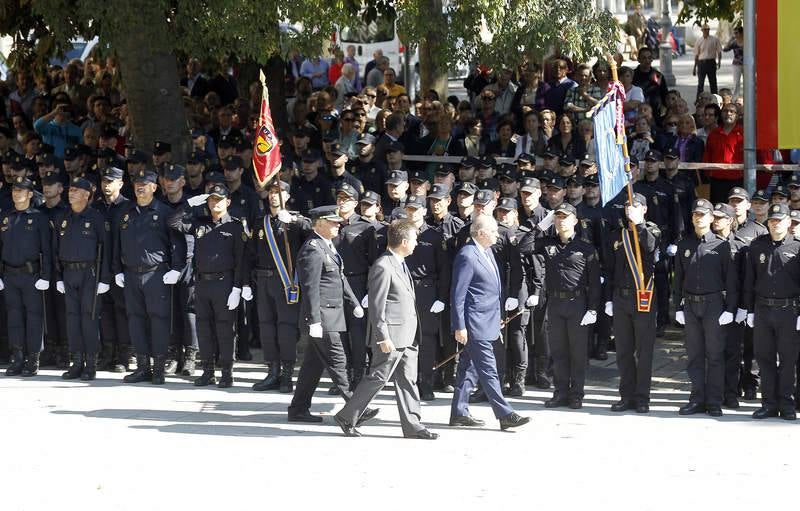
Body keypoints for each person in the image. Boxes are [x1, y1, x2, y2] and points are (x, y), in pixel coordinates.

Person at [333, 219, 438, 439]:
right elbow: (377, 305)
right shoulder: (383, 266)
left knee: (408, 379)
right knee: (378, 377)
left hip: (408, 335)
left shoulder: (399, 263)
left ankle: (413, 426)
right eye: (414, 239)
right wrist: (382, 336)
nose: (416, 244)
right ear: (404, 241)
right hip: (391, 336)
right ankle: (347, 415)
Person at [286, 205, 378, 424]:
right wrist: (314, 320)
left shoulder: (327, 246)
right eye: (332, 221)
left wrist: (354, 303)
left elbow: (340, 278)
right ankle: (356, 408)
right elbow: (310, 288)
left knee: (312, 366)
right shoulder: (313, 248)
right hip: (323, 319)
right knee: (338, 363)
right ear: (319, 223)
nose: (338, 225)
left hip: (333, 315)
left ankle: (298, 409)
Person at [449, 214, 531, 430]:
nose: (497, 234)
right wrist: (460, 326)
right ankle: (505, 414)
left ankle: (459, 412)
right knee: (489, 369)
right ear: (481, 232)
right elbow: (458, 295)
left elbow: (492, 291)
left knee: (468, 368)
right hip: (474, 324)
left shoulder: (487, 252)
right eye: (493, 231)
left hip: (488, 320)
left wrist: (498, 319)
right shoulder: (467, 255)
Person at [169, 183, 246, 388]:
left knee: (225, 330)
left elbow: (241, 260)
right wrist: (188, 204)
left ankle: (227, 373)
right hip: (202, 283)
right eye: (211, 199)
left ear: (227, 202)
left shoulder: (235, 226)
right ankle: (208, 372)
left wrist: (238, 287)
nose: (215, 203)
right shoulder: (200, 223)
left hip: (225, 283)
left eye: (219, 200)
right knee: (204, 329)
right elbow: (174, 223)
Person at [113, 170, 185, 385]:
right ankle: (143, 367)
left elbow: (177, 243)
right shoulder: (126, 213)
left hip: (156, 274)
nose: (140, 187)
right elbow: (117, 244)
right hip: (131, 274)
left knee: (159, 320)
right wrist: (117, 269)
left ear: (154, 187)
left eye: (145, 184)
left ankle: (159, 368)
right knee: (135, 320)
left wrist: (176, 268)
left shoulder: (164, 212)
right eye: (137, 183)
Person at [530, 203, 601, 408]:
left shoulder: (585, 248)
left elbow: (594, 281)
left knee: (577, 352)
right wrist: (540, 228)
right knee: (559, 351)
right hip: (555, 302)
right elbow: (525, 246)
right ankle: (560, 392)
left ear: (575, 221)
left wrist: (593, 308)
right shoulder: (547, 243)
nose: (561, 221)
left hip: (577, 303)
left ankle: (577, 393)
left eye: (565, 217)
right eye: (558, 217)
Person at [673, 199, 738, 417]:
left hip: (713, 305)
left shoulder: (722, 245)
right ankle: (697, 399)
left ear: (712, 218)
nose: (698, 218)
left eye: (703, 215)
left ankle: (714, 401)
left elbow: (730, 280)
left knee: (715, 355)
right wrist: (678, 307)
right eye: (695, 214)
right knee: (694, 355)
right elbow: (678, 279)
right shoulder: (684, 245)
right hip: (691, 305)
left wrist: (730, 309)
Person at [249, 181, 311, 393]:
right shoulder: (261, 221)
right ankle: (272, 371)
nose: (274, 196)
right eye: (272, 192)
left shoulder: (296, 221)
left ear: (287, 195)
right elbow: (252, 252)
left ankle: (286, 374)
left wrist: (294, 221)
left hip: (285, 282)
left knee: (286, 328)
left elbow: (312, 238)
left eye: (279, 192)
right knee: (266, 326)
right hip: (263, 280)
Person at [742, 203, 800, 420]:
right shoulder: (757, 246)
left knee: (787, 360)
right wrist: (749, 311)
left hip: (789, 311)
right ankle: (768, 403)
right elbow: (750, 280)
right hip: (763, 309)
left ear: (788, 222)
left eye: (780, 220)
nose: (775, 224)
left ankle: (786, 404)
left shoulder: (797, 247)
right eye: (772, 220)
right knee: (764, 358)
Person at [604, 193, 660, 413]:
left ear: (644, 209)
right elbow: (609, 269)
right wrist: (609, 298)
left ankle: (642, 397)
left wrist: (639, 224)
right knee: (623, 350)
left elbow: (650, 247)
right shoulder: (617, 235)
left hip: (643, 296)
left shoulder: (651, 230)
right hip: (621, 297)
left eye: (635, 206)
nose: (630, 209)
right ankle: (626, 395)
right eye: (628, 206)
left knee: (644, 350)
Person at [54, 177, 112, 381]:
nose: (71, 193)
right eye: (71, 189)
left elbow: (107, 249)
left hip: (90, 274)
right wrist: (59, 276)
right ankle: (76, 362)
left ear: (87, 195)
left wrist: (105, 278)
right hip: (69, 273)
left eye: (77, 190)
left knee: (89, 319)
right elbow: (55, 249)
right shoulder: (64, 217)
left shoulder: (96, 218)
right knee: (72, 319)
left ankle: (90, 363)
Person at [0, 177, 53, 377]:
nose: (17, 193)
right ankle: (18, 356)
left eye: (21, 190)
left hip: (32, 275)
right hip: (10, 274)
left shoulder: (39, 218)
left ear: (30, 194)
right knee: (14, 317)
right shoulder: (6, 217)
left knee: (34, 318)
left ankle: (33, 358)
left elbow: (47, 249)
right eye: (14, 190)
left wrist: (46, 275)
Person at [694, 24, 723, 98]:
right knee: (700, 83)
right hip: (702, 63)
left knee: (713, 82)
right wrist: (695, 67)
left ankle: (716, 99)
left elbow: (719, 51)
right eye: (705, 30)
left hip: (711, 62)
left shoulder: (714, 39)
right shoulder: (699, 41)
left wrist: (719, 62)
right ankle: (699, 99)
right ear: (702, 31)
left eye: (708, 29)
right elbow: (696, 55)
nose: (706, 31)